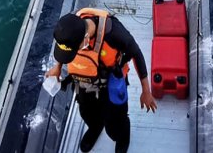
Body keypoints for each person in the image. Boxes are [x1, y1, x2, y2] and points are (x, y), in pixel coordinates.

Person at [47, 9, 156, 153]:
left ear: (86, 39)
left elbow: (136, 54)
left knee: (115, 125)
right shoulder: (70, 28)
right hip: (84, 81)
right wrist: (58, 66)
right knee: (87, 113)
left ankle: (122, 136)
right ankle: (95, 127)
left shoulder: (115, 34)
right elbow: (64, 47)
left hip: (110, 84)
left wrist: (146, 90)